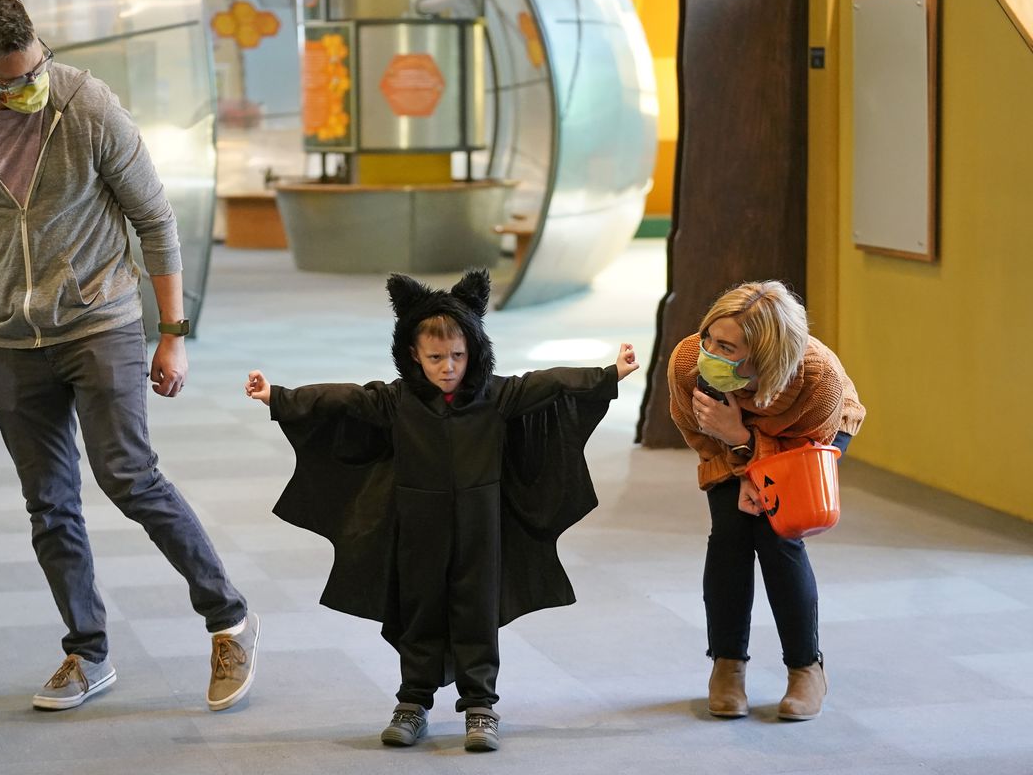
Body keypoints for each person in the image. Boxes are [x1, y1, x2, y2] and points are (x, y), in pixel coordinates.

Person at [0, 0, 258, 712]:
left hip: (102, 322)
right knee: (48, 505)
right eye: (6, 81)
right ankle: (87, 651)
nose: (24, 88)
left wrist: (173, 334)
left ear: (41, 48)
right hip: (14, 340)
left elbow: (155, 219)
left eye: (33, 69)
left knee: (127, 475)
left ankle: (229, 618)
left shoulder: (87, 106)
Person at [244, 270, 638, 752]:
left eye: (457, 355)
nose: (448, 366)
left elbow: (547, 384)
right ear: (413, 354)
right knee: (419, 608)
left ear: (473, 350)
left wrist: (606, 374)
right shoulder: (397, 400)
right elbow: (343, 397)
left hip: (482, 526)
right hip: (417, 527)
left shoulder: (496, 395)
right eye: (435, 357)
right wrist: (278, 396)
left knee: (478, 608)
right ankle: (413, 701)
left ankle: (481, 706)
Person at [667, 280, 865, 721]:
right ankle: (727, 665)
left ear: (764, 356)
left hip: (807, 442)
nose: (710, 353)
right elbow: (698, 433)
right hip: (725, 442)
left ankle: (806, 669)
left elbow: (802, 451)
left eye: (728, 348)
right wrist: (742, 467)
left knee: (779, 536)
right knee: (730, 535)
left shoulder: (819, 380)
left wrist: (745, 439)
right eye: (709, 339)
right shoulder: (687, 363)